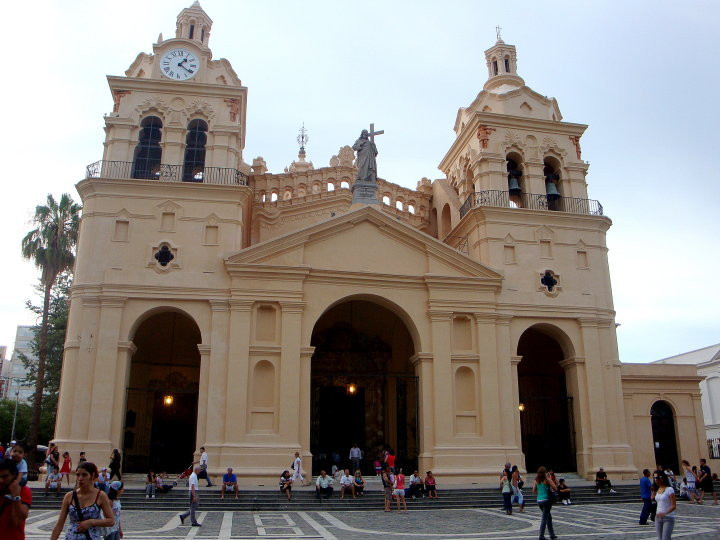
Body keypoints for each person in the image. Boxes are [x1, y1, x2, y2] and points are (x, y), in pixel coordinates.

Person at [50, 461, 114, 540]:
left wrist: (91, 522)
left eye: (84, 475)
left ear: (92, 475)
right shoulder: (69, 496)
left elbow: (111, 521)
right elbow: (59, 524)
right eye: (78, 475)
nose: (80, 478)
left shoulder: (100, 496)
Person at [0, 458, 32, 540]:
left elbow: (17, 521)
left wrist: (16, 496)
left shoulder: (24, 491)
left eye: (5, 476)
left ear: (14, 475)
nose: (1, 480)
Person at [533, 466, 558, 540]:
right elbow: (555, 488)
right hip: (546, 500)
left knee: (548, 517)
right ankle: (541, 536)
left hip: (539, 500)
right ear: (545, 472)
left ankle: (552, 534)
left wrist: (540, 492)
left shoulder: (536, 480)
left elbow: (534, 491)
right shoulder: (547, 480)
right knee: (544, 518)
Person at [653, 470, 676, 539]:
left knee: (665, 538)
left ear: (662, 478)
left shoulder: (669, 489)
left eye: (657, 478)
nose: (655, 480)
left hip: (668, 517)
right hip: (658, 518)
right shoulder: (657, 489)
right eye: (654, 478)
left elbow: (674, 506)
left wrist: (665, 513)